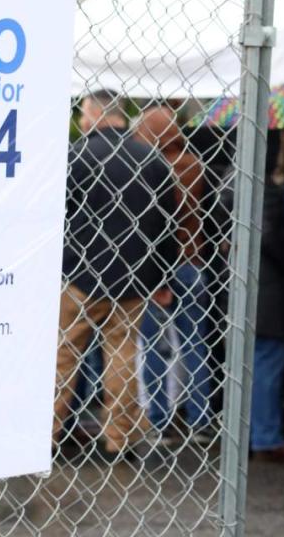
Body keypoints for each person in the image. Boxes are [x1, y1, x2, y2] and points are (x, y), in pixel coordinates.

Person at [55, 91, 178, 460]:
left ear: (92, 112)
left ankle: (50, 432)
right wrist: (162, 278)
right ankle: (118, 438)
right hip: (134, 278)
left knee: (63, 353)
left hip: (77, 275)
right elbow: (165, 227)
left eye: (81, 113)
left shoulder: (74, 157)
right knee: (123, 354)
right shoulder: (152, 160)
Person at [134, 107, 213, 444]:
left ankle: (160, 420)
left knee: (153, 345)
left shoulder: (150, 168)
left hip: (158, 267)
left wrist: (158, 276)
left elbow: (153, 225)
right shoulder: (195, 164)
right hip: (193, 263)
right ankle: (201, 417)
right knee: (194, 342)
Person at [250, 132, 284, 460]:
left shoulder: (232, 180)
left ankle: (257, 434)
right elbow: (269, 236)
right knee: (268, 364)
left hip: (251, 289)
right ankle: (265, 437)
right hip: (269, 291)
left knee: (256, 364)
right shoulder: (264, 189)